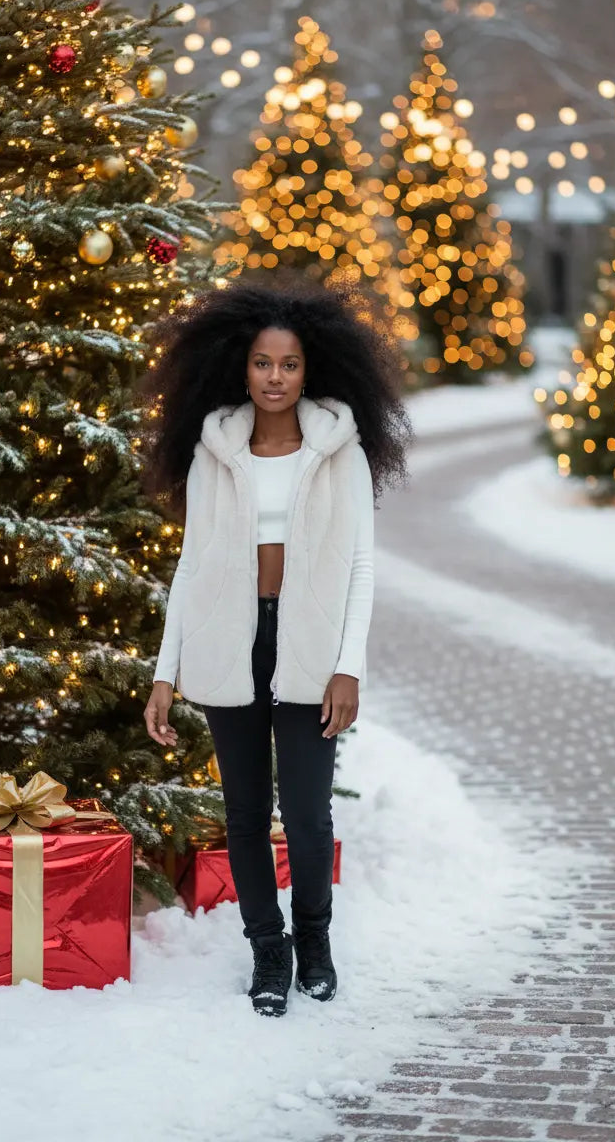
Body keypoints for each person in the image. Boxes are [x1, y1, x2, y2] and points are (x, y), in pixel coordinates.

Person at [139, 278, 410, 1017]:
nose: (275, 377)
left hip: (310, 650)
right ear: (241, 365)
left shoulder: (340, 451)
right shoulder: (216, 449)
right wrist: (166, 672)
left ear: (310, 368)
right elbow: (191, 564)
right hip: (230, 642)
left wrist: (348, 667)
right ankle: (268, 947)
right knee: (245, 814)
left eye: (289, 364)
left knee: (310, 816)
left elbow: (361, 566)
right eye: (263, 362)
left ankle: (315, 940)